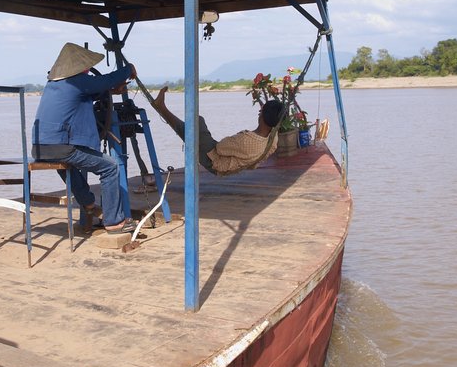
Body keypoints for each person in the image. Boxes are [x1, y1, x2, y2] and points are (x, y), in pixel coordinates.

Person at [32, 42, 137, 234]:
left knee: (68, 167)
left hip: (41, 148)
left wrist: (111, 91)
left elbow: (90, 92)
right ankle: (114, 222)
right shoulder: (78, 82)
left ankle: (89, 205)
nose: (88, 70)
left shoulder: (54, 85)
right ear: (80, 68)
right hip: (62, 146)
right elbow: (105, 81)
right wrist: (128, 69)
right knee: (110, 167)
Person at [151, 87, 283, 174]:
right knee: (191, 133)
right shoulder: (273, 138)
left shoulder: (247, 140)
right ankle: (162, 108)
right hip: (228, 164)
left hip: (213, 161)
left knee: (197, 121)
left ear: (261, 115)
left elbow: (220, 148)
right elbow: (260, 158)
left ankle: (161, 108)